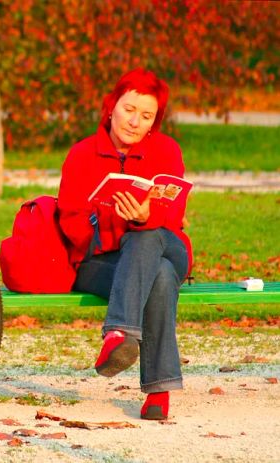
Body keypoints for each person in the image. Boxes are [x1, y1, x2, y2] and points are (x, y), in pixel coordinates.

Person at [57, 68, 192, 420]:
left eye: (146, 116)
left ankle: (118, 332)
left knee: (147, 237)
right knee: (159, 276)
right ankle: (159, 392)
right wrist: (114, 222)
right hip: (100, 262)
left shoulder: (166, 150)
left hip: (165, 245)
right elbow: (71, 223)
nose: (135, 122)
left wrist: (144, 217)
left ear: (154, 122)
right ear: (111, 106)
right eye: (129, 109)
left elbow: (174, 215)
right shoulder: (82, 154)